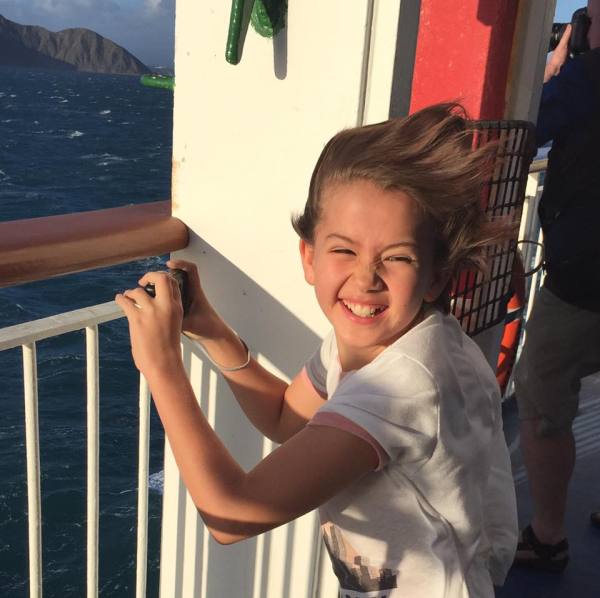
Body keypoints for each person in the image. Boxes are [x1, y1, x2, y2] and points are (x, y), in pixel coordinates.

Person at [116, 103, 517, 597]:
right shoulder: (383, 338)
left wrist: (161, 366)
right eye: (344, 251)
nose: (366, 279)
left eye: (396, 258)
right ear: (310, 256)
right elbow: (288, 417)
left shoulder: (402, 385)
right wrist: (213, 331)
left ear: (435, 275)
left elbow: (233, 514)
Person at [513, 0, 600, 573]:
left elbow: (532, 124)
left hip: (585, 279)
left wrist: (560, 61)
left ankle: (547, 536)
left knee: (542, 396)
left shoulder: (589, 79)